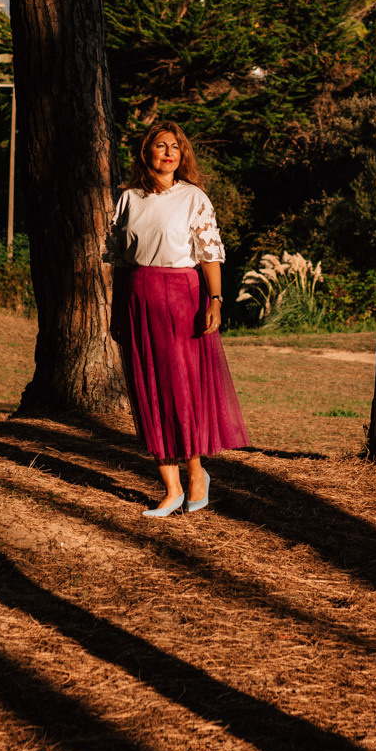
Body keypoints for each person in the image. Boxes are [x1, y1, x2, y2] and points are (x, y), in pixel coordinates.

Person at [108, 122, 248, 517]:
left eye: (176, 147)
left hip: (182, 296)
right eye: (160, 145)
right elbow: (120, 262)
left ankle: (197, 476)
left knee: (180, 389)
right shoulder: (128, 199)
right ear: (146, 152)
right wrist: (119, 309)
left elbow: (209, 252)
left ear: (182, 155)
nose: (169, 152)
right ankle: (171, 490)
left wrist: (216, 299)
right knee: (148, 388)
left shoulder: (193, 197)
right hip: (139, 297)